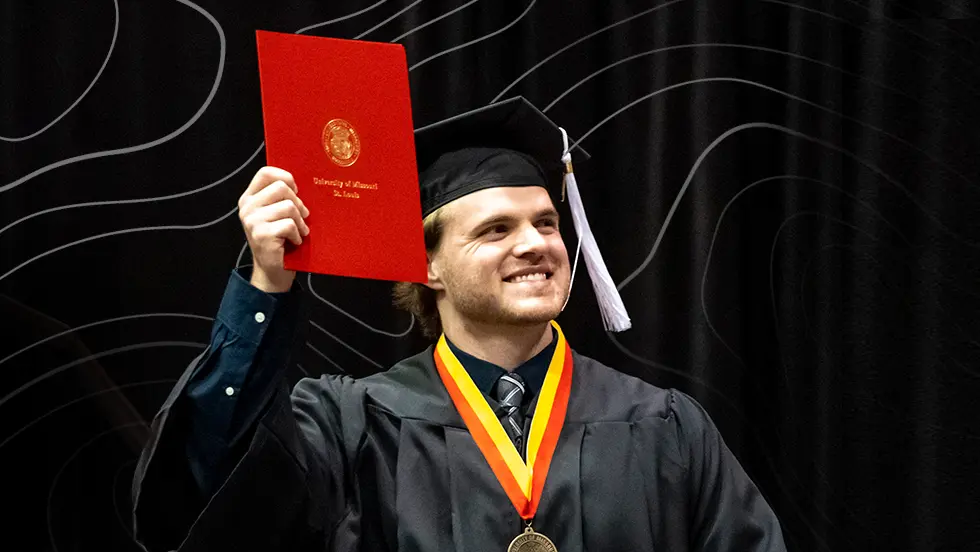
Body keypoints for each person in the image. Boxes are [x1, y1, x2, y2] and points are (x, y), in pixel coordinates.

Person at [131, 97, 786, 551]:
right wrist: (267, 284)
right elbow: (209, 485)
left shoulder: (665, 427)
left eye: (546, 223)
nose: (535, 244)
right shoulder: (349, 425)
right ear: (429, 270)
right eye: (496, 229)